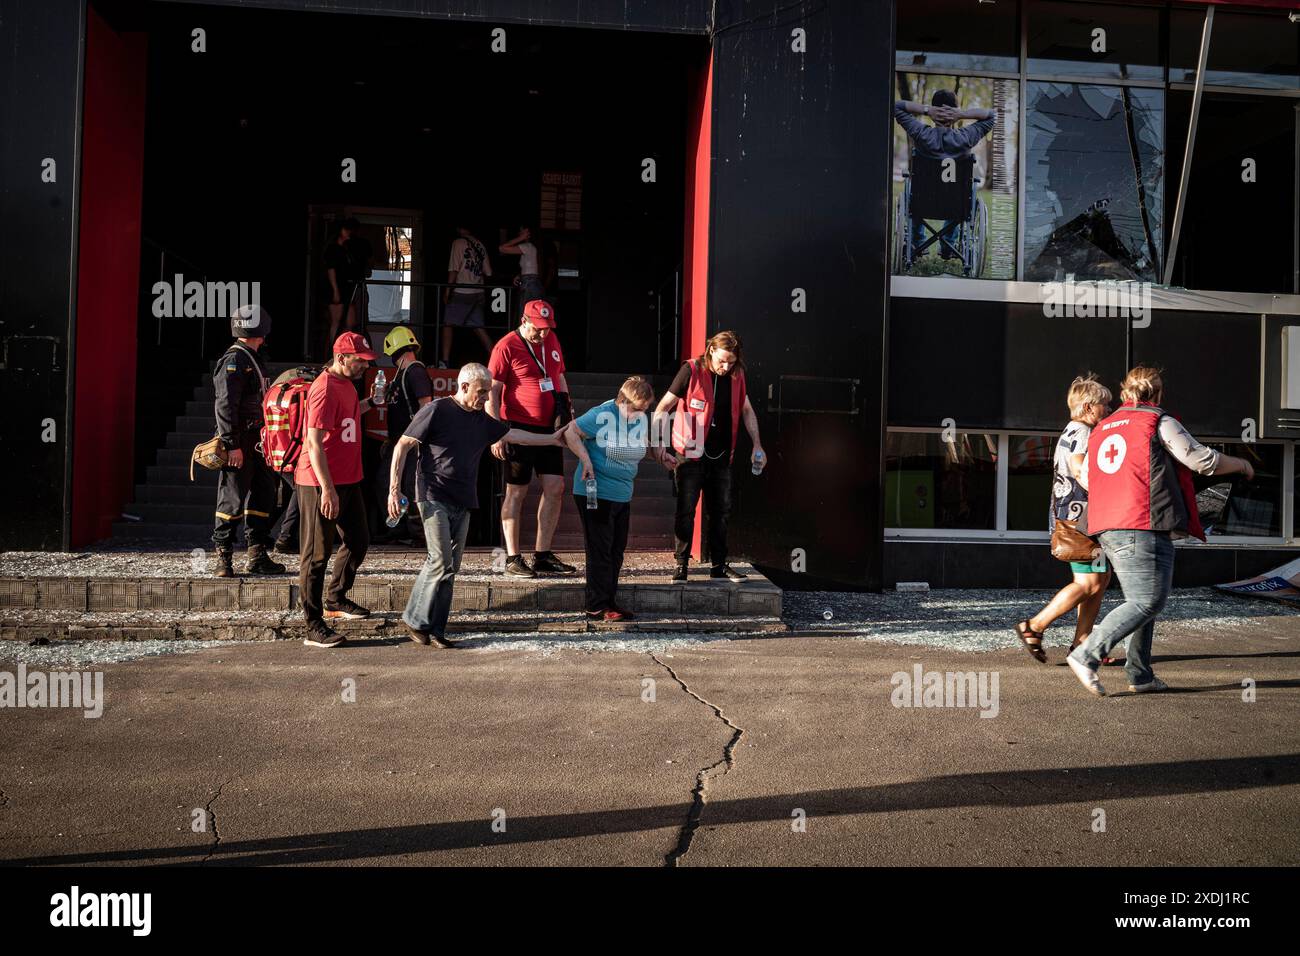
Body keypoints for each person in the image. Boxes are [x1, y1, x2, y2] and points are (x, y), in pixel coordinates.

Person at [1065, 367, 1257, 697]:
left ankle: (1140, 674)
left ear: (1125, 393)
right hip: (1142, 521)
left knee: (1143, 599)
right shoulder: (1156, 420)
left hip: (1107, 522)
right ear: (1157, 394)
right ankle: (1086, 654)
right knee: (1147, 599)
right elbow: (1200, 460)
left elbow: (1086, 474)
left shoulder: (1102, 428)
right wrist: (1241, 464)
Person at [388, 364, 566, 648]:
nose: (486, 397)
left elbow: (514, 435)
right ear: (465, 387)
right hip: (433, 495)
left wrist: (551, 438)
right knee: (440, 560)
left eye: (488, 392)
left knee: (451, 566)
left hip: (463, 499)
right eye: (482, 392)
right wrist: (394, 490)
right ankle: (414, 618)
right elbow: (403, 445)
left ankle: (436, 628)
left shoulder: (482, 420)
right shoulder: (437, 410)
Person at [1013, 374, 1113, 662]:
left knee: (1100, 578)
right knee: (1089, 584)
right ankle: (1034, 626)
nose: (1107, 409)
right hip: (1080, 521)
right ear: (1087, 408)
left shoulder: (1070, 430)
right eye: (1103, 405)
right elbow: (1080, 469)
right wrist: (1107, 494)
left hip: (1076, 517)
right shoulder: (1083, 433)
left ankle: (1082, 644)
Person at [296, 331, 385, 649]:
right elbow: (314, 444)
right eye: (360, 361)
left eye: (366, 361)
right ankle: (312, 623)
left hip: (348, 479)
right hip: (321, 482)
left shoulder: (347, 384)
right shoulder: (323, 388)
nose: (364, 366)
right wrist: (328, 490)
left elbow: (345, 419)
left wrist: (369, 403)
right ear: (341, 357)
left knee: (359, 540)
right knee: (316, 554)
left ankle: (336, 598)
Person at [654, 330, 765, 583]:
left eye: (731, 362)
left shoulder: (737, 376)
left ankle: (719, 566)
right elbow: (663, 407)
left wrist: (758, 444)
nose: (726, 367)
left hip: (723, 455)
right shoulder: (691, 370)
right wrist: (658, 443)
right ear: (711, 350)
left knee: (721, 512)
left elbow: (747, 410)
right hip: (690, 455)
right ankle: (681, 565)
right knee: (685, 510)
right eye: (722, 360)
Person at [565, 376, 672, 622]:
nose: (640, 413)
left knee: (616, 550)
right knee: (600, 550)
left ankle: (609, 601)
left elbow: (641, 444)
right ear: (622, 401)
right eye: (636, 408)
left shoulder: (639, 418)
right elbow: (571, 433)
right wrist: (586, 460)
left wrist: (660, 457)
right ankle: (595, 606)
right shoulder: (601, 414)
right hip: (595, 491)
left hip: (622, 494)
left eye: (645, 409)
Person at [486, 299, 577, 578]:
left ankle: (542, 554)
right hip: (517, 426)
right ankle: (513, 557)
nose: (542, 334)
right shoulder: (506, 346)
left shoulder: (551, 340)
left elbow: (559, 376)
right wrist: (496, 431)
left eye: (547, 328)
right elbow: (493, 391)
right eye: (538, 328)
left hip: (550, 428)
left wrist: (567, 407)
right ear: (524, 321)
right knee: (517, 490)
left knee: (555, 486)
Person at [211, 304, 285, 578]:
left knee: (264, 495)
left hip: (258, 442)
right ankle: (224, 558)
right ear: (260, 331)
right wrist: (232, 445)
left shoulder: (251, 358)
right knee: (231, 499)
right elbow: (226, 405)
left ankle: (257, 555)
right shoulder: (234, 361)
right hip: (241, 441)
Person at [893, 91, 996, 261]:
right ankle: (948, 245)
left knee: (912, 188)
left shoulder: (921, 133)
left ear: (934, 112)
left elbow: (897, 106)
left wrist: (927, 110)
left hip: (922, 201)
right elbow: (992, 116)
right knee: (960, 193)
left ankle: (917, 243)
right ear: (954, 113)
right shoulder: (966, 137)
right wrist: (962, 114)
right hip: (956, 204)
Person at [376, 325, 433, 544]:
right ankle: (399, 527)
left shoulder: (415, 370)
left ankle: (416, 533)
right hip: (400, 439)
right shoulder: (403, 372)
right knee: (387, 482)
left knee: (409, 484)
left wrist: (417, 438)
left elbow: (425, 406)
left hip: (411, 441)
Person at [441, 224, 495, 368]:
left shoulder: (458, 243)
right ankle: (496, 358)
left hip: (462, 291)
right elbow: (488, 272)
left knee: (448, 324)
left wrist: (447, 291)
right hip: (478, 292)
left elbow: (453, 269)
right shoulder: (480, 245)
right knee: (479, 327)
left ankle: (444, 361)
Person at [324, 218, 364, 346]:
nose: (349, 232)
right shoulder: (332, 249)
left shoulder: (346, 249)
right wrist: (335, 290)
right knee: (336, 321)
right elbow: (331, 270)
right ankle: (333, 350)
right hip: (338, 289)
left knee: (350, 321)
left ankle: (344, 347)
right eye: (346, 229)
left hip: (347, 288)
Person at [499, 226, 546, 306]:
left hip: (529, 283)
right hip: (532, 282)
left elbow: (502, 248)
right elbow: (532, 268)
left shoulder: (528, 246)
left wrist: (520, 238)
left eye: (521, 231)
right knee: (531, 312)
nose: (519, 233)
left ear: (527, 232)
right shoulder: (531, 247)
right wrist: (520, 275)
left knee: (525, 313)